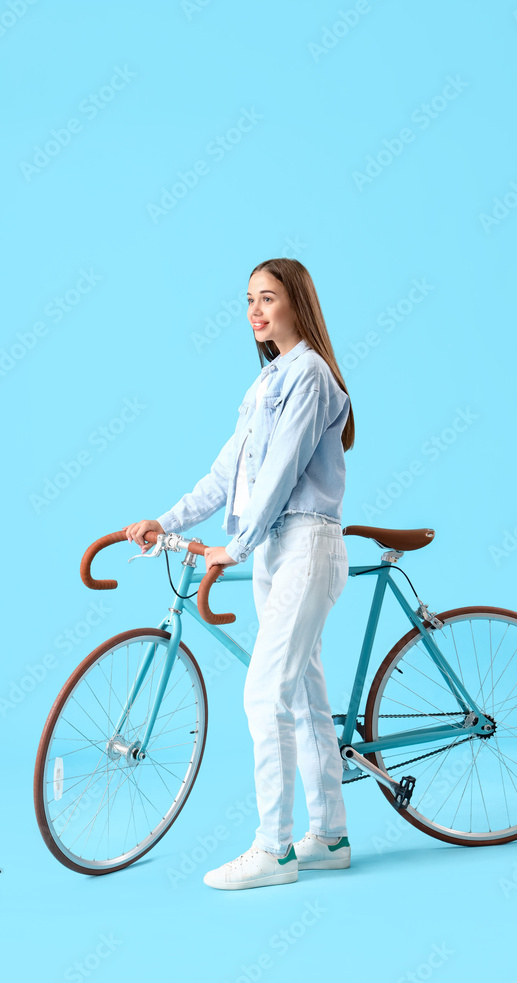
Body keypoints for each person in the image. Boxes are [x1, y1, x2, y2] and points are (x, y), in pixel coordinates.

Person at [124, 257, 355, 890]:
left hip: (305, 544)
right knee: (302, 694)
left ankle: (273, 851)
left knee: (264, 694)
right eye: (249, 299)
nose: (255, 310)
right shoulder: (266, 384)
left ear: (296, 304)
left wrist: (235, 545)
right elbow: (226, 474)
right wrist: (165, 518)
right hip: (276, 550)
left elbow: (282, 471)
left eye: (268, 298)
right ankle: (329, 836)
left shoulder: (309, 374)